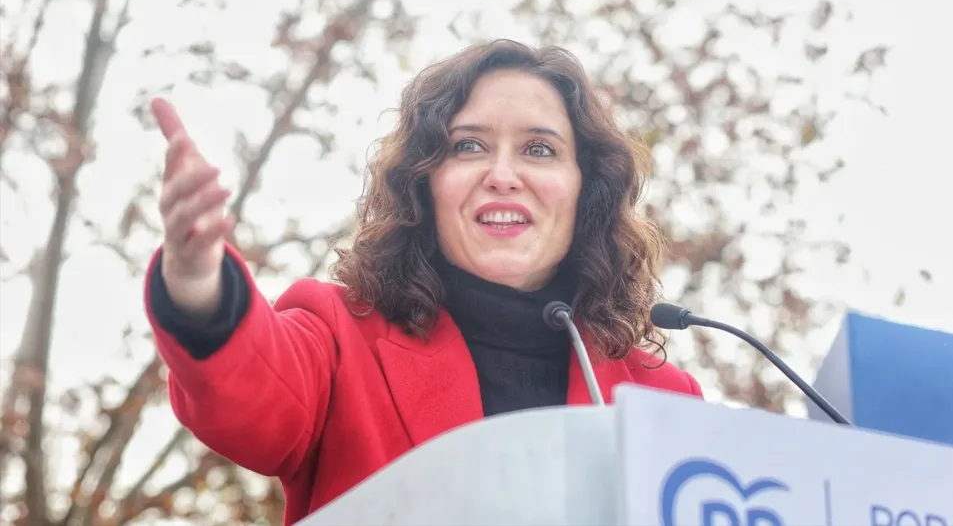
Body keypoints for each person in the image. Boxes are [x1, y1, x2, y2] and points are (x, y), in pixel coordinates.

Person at [144, 39, 703, 526]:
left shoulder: (661, 399)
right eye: (468, 146)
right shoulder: (341, 337)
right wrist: (197, 282)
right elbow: (251, 397)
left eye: (539, 149)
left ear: (587, 189)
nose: (503, 176)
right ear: (425, 184)